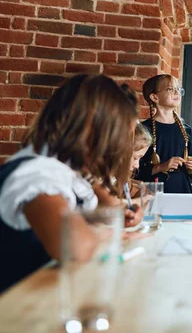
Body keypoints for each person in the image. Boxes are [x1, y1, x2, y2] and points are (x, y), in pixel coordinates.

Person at [0, 74, 139, 293]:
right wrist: (106, 233)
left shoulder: (67, 171)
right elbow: (76, 247)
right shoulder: (37, 174)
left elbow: (110, 210)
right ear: (94, 131)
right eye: (122, 137)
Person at [137, 74, 192, 193]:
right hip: (154, 192)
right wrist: (162, 166)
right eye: (170, 89)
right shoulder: (143, 129)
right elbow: (136, 171)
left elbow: (191, 172)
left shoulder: (186, 129)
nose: (177, 92)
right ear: (155, 97)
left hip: (182, 190)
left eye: (178, 89)